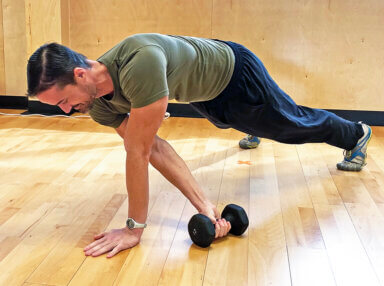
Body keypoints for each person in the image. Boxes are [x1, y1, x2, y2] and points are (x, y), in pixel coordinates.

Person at [26, 33, 372, 258]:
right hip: (204, 93)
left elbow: (140, 152)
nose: (67, 111)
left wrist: (134, 229)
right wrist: (207, 206)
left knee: (291, 125)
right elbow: (156, 149)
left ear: (80, 74)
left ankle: (354, 134)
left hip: (234, 74)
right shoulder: (98, 105)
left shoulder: (138, 64)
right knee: (233, 119)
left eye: (64, 101)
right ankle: (253, 124)